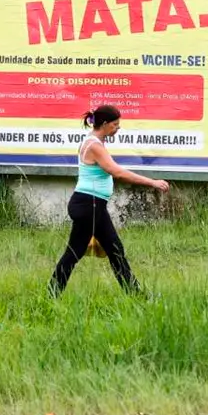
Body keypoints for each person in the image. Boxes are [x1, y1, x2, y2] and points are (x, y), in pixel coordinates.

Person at [47, 104, 169, 297]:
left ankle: (135, 295)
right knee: (78, 252)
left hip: (92, 205)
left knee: (111, 250)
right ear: (104, 124)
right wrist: (152, 182)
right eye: (115, 124)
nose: (118, 128)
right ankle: (52, 294)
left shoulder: (94, 141)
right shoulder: (94, 145)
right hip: (89, 205)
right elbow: (117, 172)